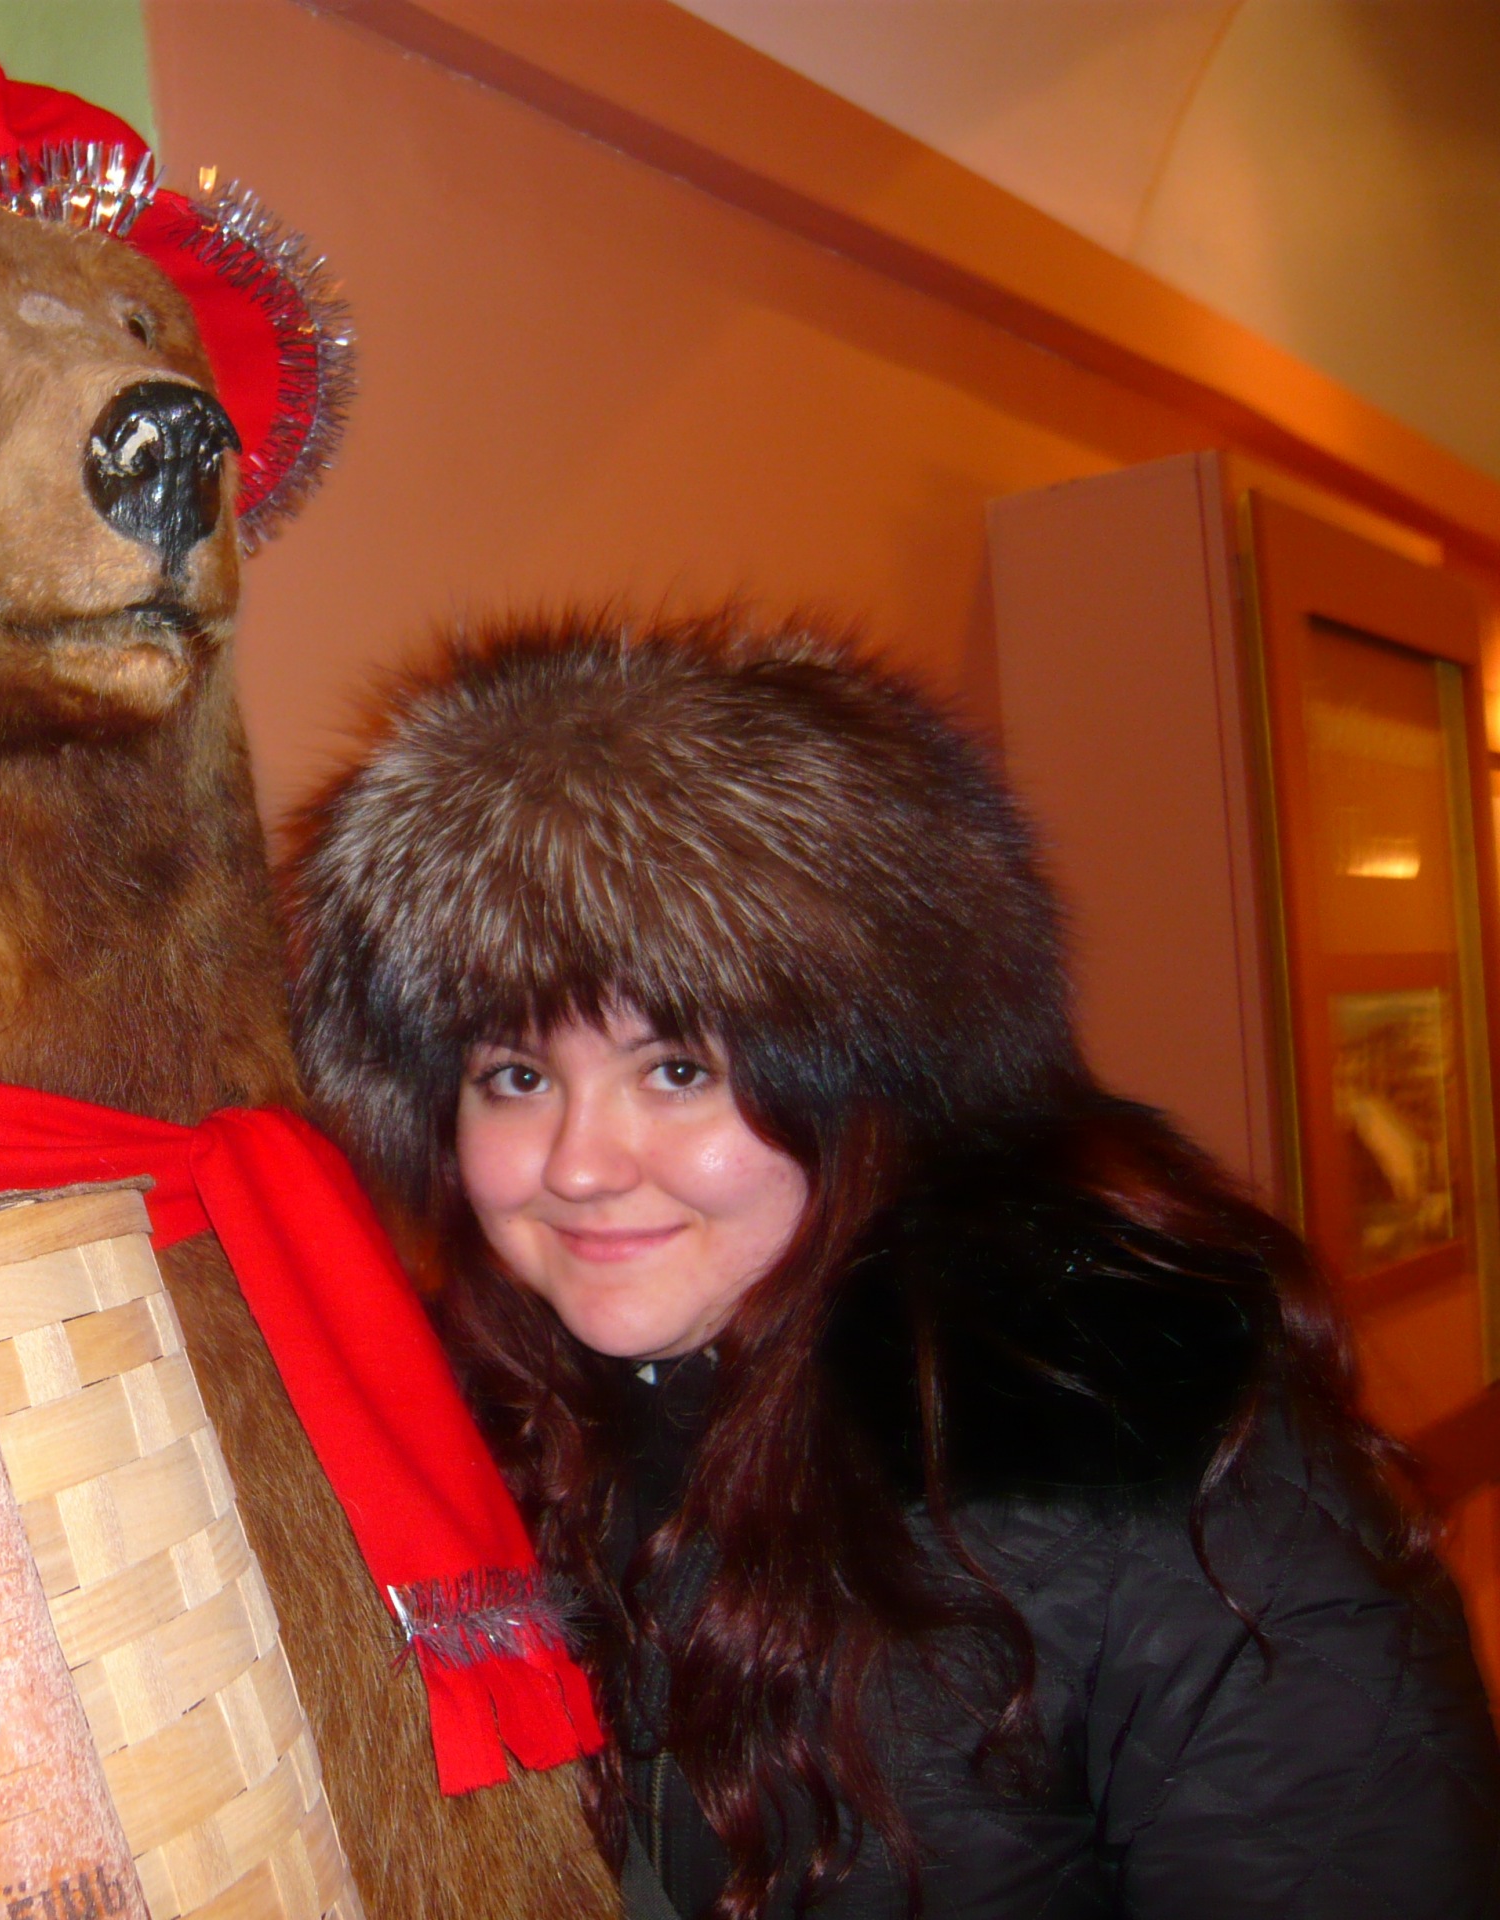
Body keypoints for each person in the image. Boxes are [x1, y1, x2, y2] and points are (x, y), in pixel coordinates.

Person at [285, 611, 1500, 1919]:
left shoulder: (1141, 1456)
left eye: (678, 1069)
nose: (578, 1165)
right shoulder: (488, 1442)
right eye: (517, 1078)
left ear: (874, 1089)